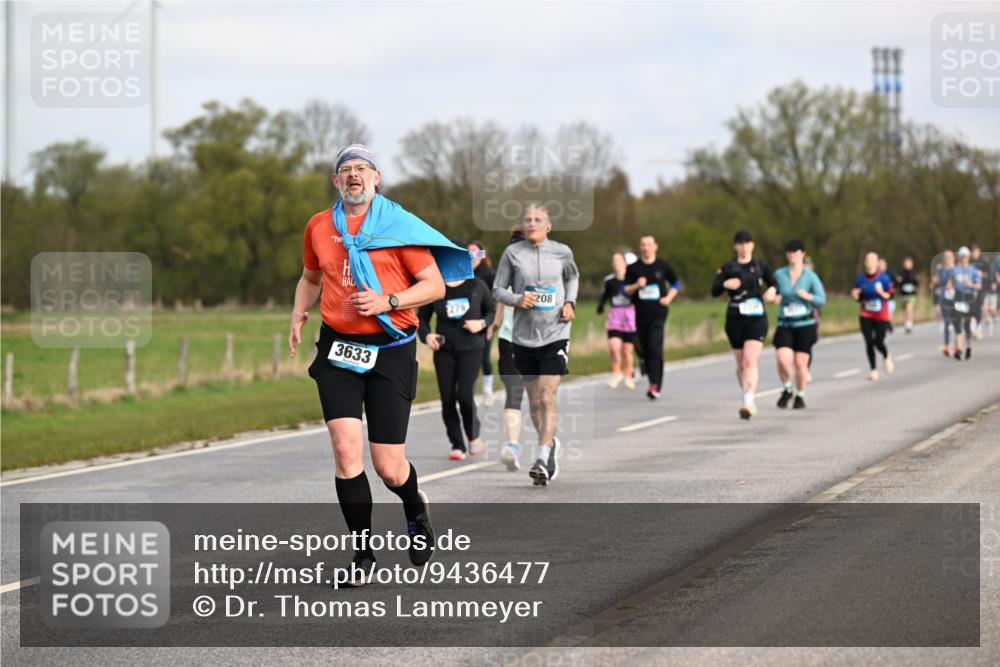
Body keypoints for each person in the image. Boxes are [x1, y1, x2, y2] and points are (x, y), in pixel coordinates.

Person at [289, 144, 472, 583]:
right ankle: (363, 556)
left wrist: (388, 300)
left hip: (390, 350)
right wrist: (299, 311)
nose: (353, 176)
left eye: (361, 169)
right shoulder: (319, 226)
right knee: (346, 451)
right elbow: (311, 277)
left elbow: (433, 287)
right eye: (345, 170)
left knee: (389, 467)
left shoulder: (398, 228)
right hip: (338, 349)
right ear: (336, 181)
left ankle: (414, 506)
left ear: (376, 178)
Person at [493, 204, 579, 486]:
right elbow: (498, 289)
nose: (531, 223)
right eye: (527, 219)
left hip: (556, 332)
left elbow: (573, 277)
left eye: (537, 220)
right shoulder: (512, 254)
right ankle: (549, 441)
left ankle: (542, 457)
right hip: (523, 336)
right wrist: (518, 300)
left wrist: (569, 302)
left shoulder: (562, 252)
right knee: (533, 400)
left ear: (548, 226)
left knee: (546, 395)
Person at [417, 255, 495, 460]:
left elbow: (491, 310)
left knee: (465, 396)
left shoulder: (477, 285)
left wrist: (482, 324)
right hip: (444, 350)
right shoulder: (436, 290)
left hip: (472, 348)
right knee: (448, 398)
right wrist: (427, 336)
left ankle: (473, 435)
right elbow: (422, 319)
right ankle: (457, 445)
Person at [711, 230, 776, 420]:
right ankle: (747, 397)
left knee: (749, 361)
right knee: (740, 365)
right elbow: (714, 290)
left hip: (756, 318)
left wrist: (772, 291)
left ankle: (748, 401)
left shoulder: (760, 265)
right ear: (735, 246)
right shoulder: (728, 267)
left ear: (752, 245)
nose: (744, 246)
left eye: (747, 243)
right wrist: (725, 284)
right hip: (735, 319)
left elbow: (775, 283)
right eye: (740, 243)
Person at [624, 236, 680, 400]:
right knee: (646, 350)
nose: (646, 248)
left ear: (655, 247)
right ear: (640, 248)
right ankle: (652, 379)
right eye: (643, 245)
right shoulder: (634, 268)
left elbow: (676, 284)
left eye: (649, 245)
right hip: (640, 314)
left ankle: (655, 385)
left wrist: (669, 298)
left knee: (655, 347)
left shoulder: (662, 266)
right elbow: (625, 290)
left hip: (658, 313)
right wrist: (636, 285)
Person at [773, 240, 826, 410]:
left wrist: (808, 296)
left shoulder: (810, 276)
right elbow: (771, 291)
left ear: (802, 254)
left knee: (800, 363)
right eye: (789, 252)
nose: (792, 255)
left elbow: (822, 299)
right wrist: (774, 297)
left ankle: (800, 395)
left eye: (795, 252)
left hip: (805, 323)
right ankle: (787, 388)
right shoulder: (779, 275)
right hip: (785, 323)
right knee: (782, 360)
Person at [491, 228, 528, 471]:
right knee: (514, 392)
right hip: (509, 340)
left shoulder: (544, 273)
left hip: (541, 341)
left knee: (540, 397)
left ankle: (547, 447)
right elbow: (500, 302)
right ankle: (513, 446)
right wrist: (493, 325)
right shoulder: (503, 276)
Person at [851, 252, 895, 381]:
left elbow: (891, 295)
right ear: (865, 263)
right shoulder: (860, 279)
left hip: (881, 315)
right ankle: (873, 369)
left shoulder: (884, 279)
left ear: (877, 263)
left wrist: (882, 293)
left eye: (872, 260)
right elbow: (858, 297)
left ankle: (886, 356)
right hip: (866, 314)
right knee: (869, 342)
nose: (870, 263)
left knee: (878, 341)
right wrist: (856, 296)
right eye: (867, 260)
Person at [597, 252, 638, 389]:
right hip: (614, 315)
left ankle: (628, 375)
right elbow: (604, 296)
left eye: (618, 260)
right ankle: (616, 373)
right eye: (613, 261)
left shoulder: (632, 279)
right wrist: (600, 309)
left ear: (625, 263)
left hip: (630, 315)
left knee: (627, 349)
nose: (615, 263)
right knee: (614, 347)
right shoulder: (609, 280)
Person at [469, 241, 497, 404]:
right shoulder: (463, 273)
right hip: (467, 322)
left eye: (476, 253)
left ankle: (488, 390)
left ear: (482, 255)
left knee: (484, 356)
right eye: (469, 253)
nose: (472, 257)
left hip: (486, 320)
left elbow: (497, 298)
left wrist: (491, 324)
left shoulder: (489, 274)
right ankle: (468, 391)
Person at [951, 246, 983, 360]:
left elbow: (979, 286)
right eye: (962, 257)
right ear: (959, 258)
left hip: (969, 297)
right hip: (959, 297)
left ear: (968, 258)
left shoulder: (973, 270)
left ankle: (969, 348)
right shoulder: (955, 270)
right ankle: (958, 349)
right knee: (958, 324)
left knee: (968, 326)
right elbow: (950, 283)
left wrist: (971, 284)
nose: (964, 259)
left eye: (966, 257)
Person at [931, 251, 957, 356]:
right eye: (946, 257)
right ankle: (946, 345)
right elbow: (938, 281)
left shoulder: (957, 269)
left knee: (956, 322)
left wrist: (953, 283)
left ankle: (957, 346)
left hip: (956, 299)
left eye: (949, 257)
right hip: (944, 298)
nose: (948, 258)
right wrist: (935, 281)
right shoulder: (940, 269)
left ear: (953, 258)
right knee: (947, 322)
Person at [969, 245, 990, 339]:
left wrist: (982, 274)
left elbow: (989, 273)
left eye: (976, 251)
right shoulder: (969, 261)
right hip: (971, 288)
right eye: (973, 252)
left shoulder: (984, 261)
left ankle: (978, 328)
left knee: (979, 307)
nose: (975, 253)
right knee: (972, 308)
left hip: (982, 288)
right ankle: (973, 329)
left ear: (979, 252)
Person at [894, 257, 919, 334]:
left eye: (909, 263)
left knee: (909, 308)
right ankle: (906, 323)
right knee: (904, 310)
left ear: (912, 264)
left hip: (911, 295)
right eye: (906, 263)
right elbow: (897, 284)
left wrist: (916, 285)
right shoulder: (901, 273)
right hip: (903, 294)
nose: (907, 265)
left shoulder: (914, 273)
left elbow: (917, 283)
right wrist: (898, 281)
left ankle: (909, 323)